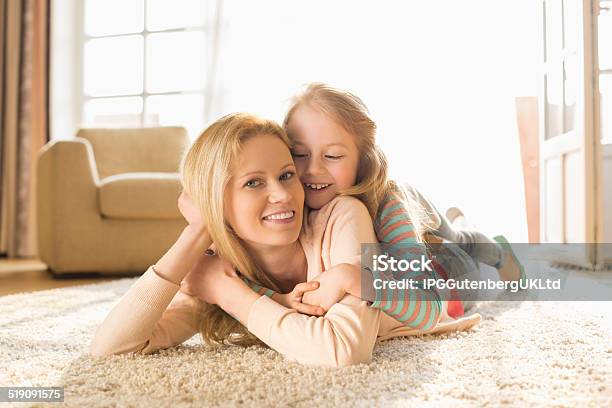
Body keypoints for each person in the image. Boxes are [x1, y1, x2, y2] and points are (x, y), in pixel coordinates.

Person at [90, 113, 481, 367]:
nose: (282, 195)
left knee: (474, 256)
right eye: (254, 183)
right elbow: (112, 348)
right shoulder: (218, 271)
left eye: (286, 175)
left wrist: (231, 296)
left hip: (438, 266)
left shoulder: (344, 216)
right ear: (215, 205)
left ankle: (459, 222)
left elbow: (343, 351)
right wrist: (194, 236)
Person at [240, 83, 525, 320]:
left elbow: (430, 303)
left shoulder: (387, 208)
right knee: (451, 231)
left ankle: (500, 252)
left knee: (461, 241)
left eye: (333, 156)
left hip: (444, 268)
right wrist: (280, 299)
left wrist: (357, 280)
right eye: (300, 154)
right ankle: (457, 219)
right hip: (414, 241)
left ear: (361, 161)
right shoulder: (282, 204)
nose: (313, 169)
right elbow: (247, 280)